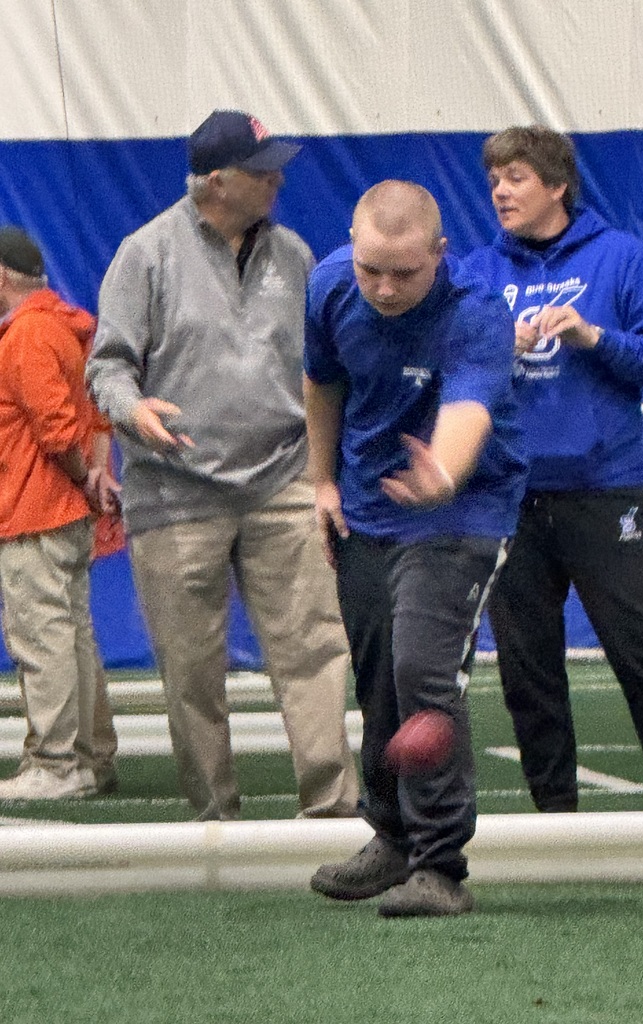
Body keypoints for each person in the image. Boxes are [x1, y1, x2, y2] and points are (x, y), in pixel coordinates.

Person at [86, 109, 359, 822]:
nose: (277, 178)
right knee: (191, 669)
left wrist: (324, 472)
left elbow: (321, 365)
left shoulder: (294, 254)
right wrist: (132, 410)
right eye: (261, 168)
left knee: (314, 646)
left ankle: (331, 806)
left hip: (281, 482)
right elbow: (106, 366)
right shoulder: (144, 255)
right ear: (215, 181)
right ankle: (216, 815)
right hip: (175, 494)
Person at [462, 125, 643, 813]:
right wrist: (493, 346)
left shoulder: (621, 260)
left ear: (557, 185)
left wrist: (593, 337)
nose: (500, 192)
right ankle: (555, 818)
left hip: (606, 494)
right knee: (527, 672)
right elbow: (447, 374)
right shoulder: (479, 273)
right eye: (493, 182)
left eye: (515, 178)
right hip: (509, 498)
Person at [304, 181, 527, 916]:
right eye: (371, 269)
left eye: (404, 272)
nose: (384, 287)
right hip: (366, 511)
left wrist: (443, 472)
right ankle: (391, 839)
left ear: (440, 252)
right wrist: (322, 482)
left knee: (422, 674)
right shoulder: (330, 285)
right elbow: (322, 381)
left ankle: (440, 866)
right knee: (376, 682)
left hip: (461, 513)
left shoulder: (476, 312)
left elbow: (468, 407)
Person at [0, 226, 120, 800]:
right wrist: (94, 480)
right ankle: (91, 757)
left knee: (41, 638)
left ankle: (55, 763)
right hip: (65, 512)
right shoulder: (67, 328)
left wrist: (79, 475)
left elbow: (55, 429)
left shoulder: (25, 335)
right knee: (74, 637)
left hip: (32, 508)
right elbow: (96, 416)